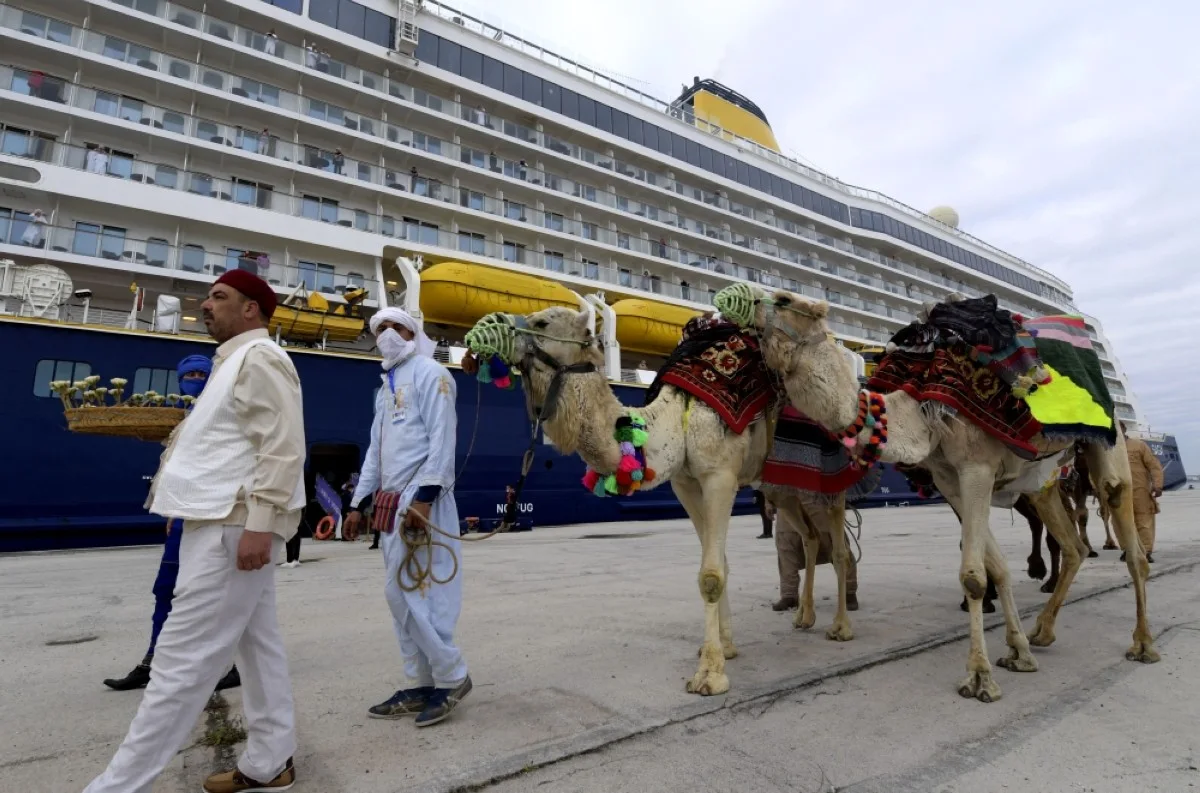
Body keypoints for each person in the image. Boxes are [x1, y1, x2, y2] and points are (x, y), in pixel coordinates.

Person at [83, 270, 306, 793]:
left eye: (219, 297)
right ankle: (272, 760)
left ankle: (115, 787)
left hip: (233, 529)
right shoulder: (231, 363)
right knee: (259, 648)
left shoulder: (261, 359)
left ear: (251, 309)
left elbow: (283, 446)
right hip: (220, 523)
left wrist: (261, 524)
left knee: (178, 665)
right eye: (207, 296)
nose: (205, 305)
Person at [344, 307, 472, 727]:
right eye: (379, 328)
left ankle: (451, 677)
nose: (386, 334)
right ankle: (419, 683)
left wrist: (425, 498)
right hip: (392, 506)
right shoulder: (386, 387)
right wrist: (357, 504)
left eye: (395, 326)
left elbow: (442, 439)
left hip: (424, 505)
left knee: (423, 596)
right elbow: (376, 452)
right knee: (400, 598)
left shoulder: (432, 374)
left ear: (413, 332)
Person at [103, 355, 241, 694]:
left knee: (214, 594)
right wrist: (171, 510)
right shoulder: (179, 419)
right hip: (182, 516)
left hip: (214, 515)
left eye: (201, 374)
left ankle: (229, 664)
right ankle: (154, 661)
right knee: (166, 589)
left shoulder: (224, 415)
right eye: (189, 374)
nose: (194, 379)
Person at [772, 506, 858, 612]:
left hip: (819, 509)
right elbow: (772, 489)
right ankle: (789, 596)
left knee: (840, 552)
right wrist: (768, 503)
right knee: (787, 554)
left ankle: (849, 592)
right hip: (788, 512)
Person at [1121, 422, 1164, 563]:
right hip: (1118, 492)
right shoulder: (1108, 448)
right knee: (1121, 523)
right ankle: (1128, 549)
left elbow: (1154, 466)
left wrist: (1157, 485)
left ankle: (1145, 551)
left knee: (1143, 521)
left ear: (1124, 429)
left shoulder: (1139, 446)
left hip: (1140, 491)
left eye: (1118, 428)